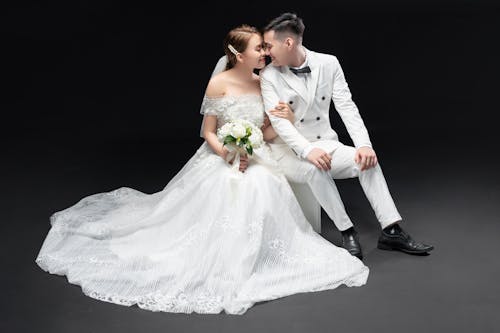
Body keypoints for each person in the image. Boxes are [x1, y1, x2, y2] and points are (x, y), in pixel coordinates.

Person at [35, 24, 369, 316]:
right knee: (227, 186)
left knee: (263, 184)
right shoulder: (218, 85)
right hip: (222, 155)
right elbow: (209, 131)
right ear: (238, 54)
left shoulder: (265, 84)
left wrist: (286, 119)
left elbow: (268, 132)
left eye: (265, 47)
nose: (265, 53)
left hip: (258, 156)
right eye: (258, 48)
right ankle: (220, 258)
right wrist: (229, 150)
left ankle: (261, 255)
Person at [259, 13, 434, 259]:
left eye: (269, 45)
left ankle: (391, 230)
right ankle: (347, 231)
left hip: (326, 142)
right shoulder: (269, 75)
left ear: (288, 42)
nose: (266, 52)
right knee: (313, 168)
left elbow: (347, 107)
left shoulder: (329, 63)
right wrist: (307, 150)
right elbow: (279, 122)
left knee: (367, 162)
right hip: (288, 151)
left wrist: (364, 145)